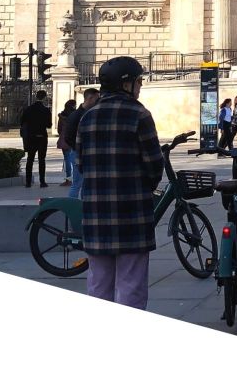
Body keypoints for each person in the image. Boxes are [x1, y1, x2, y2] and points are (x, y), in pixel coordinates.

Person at [76, 57, 164, 310]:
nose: (140, 86)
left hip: (95, 212)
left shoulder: (87, 117)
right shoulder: (139, 114)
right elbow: (154, 164)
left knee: (98, 283)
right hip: (131, 212)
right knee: (131, 284)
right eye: (138, 81)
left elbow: (80, 164)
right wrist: (144, 187)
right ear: (126, 84)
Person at [64, 87, 100, 198]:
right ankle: (72, 207)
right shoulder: (76, 115)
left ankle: (84, 205)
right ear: (90, 98)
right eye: (97, 99)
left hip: (86, 153)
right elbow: (68, 136)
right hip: (78, 153)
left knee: (85, 184)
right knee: (77, 184)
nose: (98, 101)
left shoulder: (90, 113)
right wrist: (78, 148)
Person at [20, 90, 52, 188]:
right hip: (42, 136)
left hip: (31, 137)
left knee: (30, 159)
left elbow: (22, 122)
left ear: (36, 96)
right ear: (45, 97)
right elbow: (49, 125)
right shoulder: (46, 110)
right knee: (42, 160)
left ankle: (28, 182)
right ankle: (42, 182)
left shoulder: (28, 109)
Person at [57, 99, 77, 186]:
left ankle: (68, 179)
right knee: (75, 160)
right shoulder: (75, 115)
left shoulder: (62, 116)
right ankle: (76, 178)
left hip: (64, 139)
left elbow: (59, 129)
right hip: (74, 139)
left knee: (67, 159)